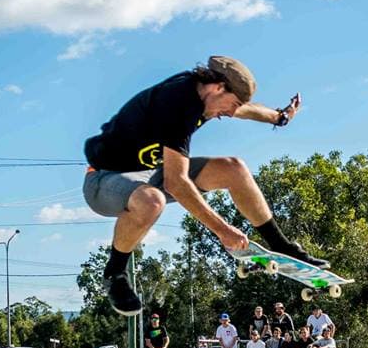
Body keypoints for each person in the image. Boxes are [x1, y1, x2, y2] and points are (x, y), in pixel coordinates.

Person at [82, 56, 328, 316]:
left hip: (151, 173)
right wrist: (223, 230)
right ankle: (115, 273)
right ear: (218, 87)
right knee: (152, 201)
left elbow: (246, 110)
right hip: (104, 179)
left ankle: (281, 245)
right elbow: (176, 183)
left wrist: (281, 117)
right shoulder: (178, 102)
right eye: (231, 105)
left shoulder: (208, 96)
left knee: (234, 168)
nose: (230, 113)